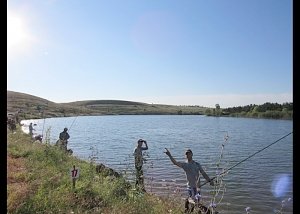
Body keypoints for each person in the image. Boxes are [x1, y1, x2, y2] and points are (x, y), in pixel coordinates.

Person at [164, 148, 214, 213]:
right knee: (194, 202)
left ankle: (197, 211)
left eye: (189, 153)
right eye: (186, 154)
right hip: (190, 187)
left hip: (197, 187)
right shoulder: (184, 164)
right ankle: (207, 212)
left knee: (196, 203)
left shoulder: (197, 164)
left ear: (192, 154)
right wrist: (169, 155)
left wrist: (210, 180)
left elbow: (203, 173)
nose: (187, 155)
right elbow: (175, 163)